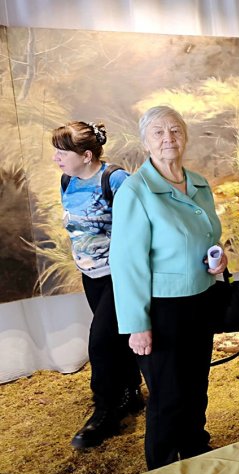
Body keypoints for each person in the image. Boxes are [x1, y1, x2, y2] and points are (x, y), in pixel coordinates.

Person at [110, 106, 228, 470]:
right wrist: (136, 325)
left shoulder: (199, 184)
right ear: (145, 142)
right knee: (168, 395)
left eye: (175, 130)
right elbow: (127, 263)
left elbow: (207, 236)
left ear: (185, 136)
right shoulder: (135, 191)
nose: (168, 138)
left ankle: (195, 448)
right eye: (158, 132)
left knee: (196, 384)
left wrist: (218, 258)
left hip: (200, 301)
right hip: (161, 309)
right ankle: (162, 469)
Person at [51, 121, 144, 450]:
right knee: (117, 338)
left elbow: (138, 226)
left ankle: (106, 411)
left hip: (119, 276)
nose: (56, 159)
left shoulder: (115, 179)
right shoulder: (68, 180)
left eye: (62, 153)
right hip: (91, 276)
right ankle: (130, 392)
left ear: (86, 155)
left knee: (100, 343)